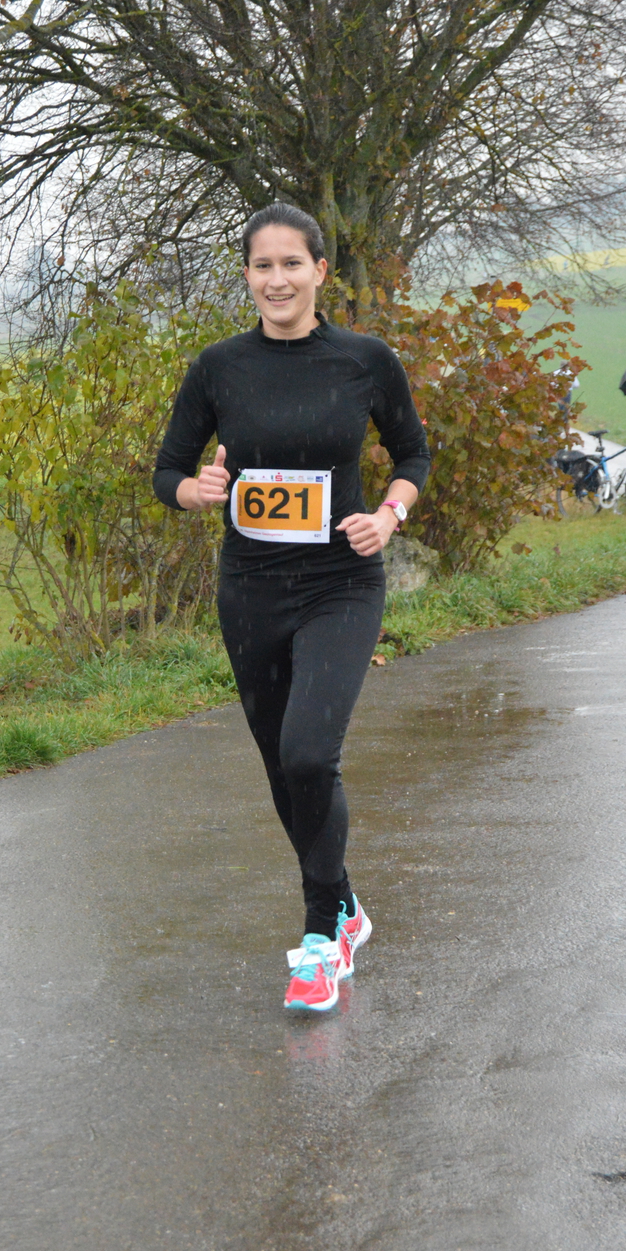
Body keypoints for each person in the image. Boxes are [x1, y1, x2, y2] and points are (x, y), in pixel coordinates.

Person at [153, 203, 430, 1013]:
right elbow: (168, 472)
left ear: (319, 272)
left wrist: (389, 515)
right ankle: (342, 904)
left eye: (291, 264)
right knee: (283, 765)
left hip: (341, 582)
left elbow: (412, 453)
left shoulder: (364, 360)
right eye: (262, 266)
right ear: (247, 275)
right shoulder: (218, 367)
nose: (277, 280)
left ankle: (319, 937)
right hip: (250, 590)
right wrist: (196, 491)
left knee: (311, 754)